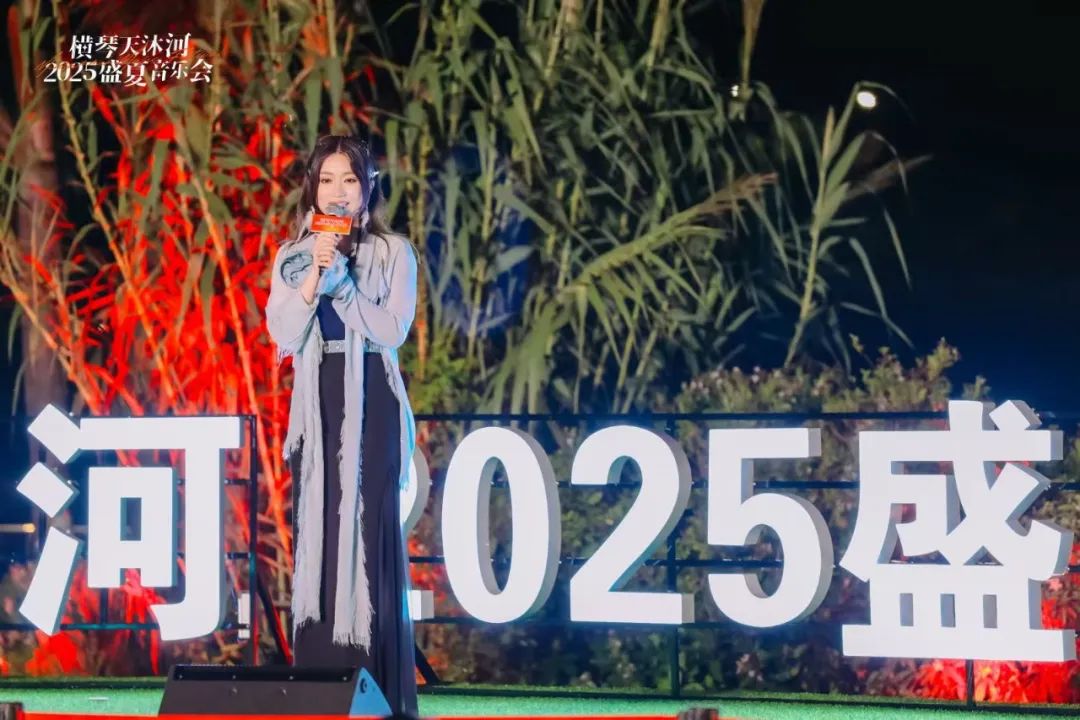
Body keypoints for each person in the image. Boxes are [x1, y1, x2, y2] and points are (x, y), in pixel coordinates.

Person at [264, 134, 419, 716]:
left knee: (368, 527)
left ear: (368, 188)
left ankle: (377, 687)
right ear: (312, 188)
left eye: (349, 180)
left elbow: (392, 329)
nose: (337, 191)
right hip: (318, 403)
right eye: (326, 180)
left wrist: (346, 288)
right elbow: (283, 333)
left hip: (372, 396)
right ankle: (318, 685)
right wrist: (315, 278)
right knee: (320, 528)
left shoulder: (393, 252)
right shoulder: (293, 254)